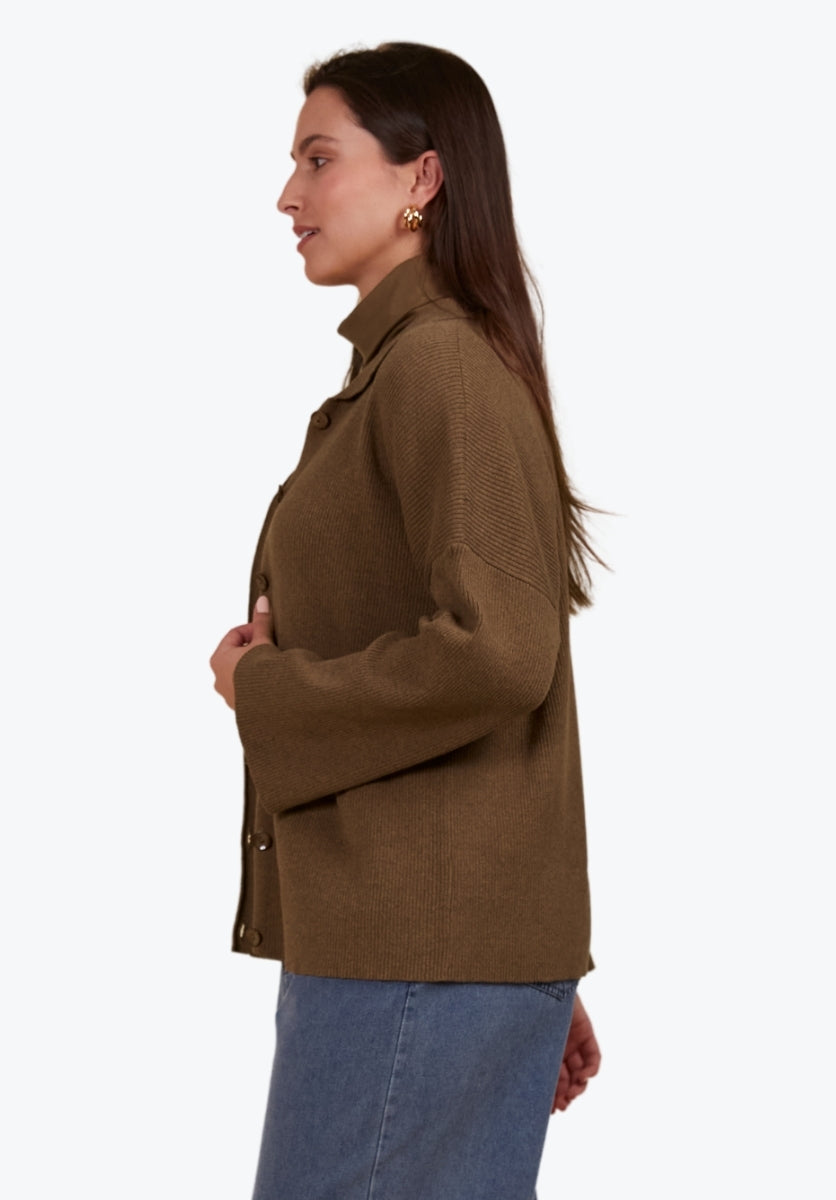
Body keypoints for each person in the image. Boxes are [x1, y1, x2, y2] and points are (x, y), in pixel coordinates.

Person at [210, 42, 601, 1200]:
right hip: (431, 960)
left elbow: (501, 652)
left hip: (408, 965)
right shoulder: (416, 368)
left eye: (318, 159)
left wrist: (262, 689)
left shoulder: (438, 370)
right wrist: (515, 965)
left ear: (421, 178)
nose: (289, 196)